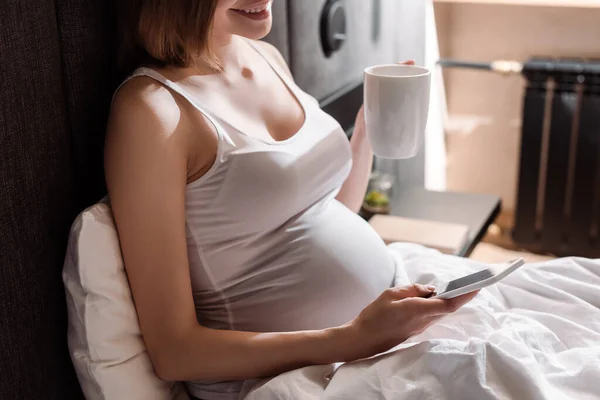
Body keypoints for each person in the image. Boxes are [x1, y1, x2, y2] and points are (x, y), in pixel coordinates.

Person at [105, 1, 478, 398]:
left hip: (377, 336)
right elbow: (175, 352)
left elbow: (319, 213)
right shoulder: (151, 112)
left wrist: (369, 130)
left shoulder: (265, 55)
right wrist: (354, 337)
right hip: (291, 380)